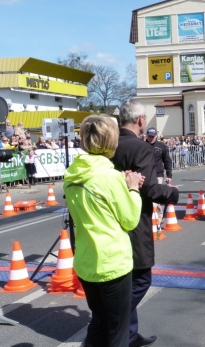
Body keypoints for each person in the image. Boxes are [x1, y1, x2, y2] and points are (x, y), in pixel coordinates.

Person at [64, 115, 143, 347]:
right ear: (111, 140)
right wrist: (133, 189)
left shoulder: (72, 174)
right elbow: (130, 220)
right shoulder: (109, 177)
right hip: (112, 262)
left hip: (86, 261)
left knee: (99, 322)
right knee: (117, 330)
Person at [110, 100, 179, 347]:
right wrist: (172, 193)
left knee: (126, 277)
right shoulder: (140, 148)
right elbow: (149, 188)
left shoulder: (110, 143)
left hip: (110, 217)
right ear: (141, 120)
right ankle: (116, 323)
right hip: (135, 217)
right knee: (141, 278)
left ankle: (129, 333)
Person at [145, 127, 173, 225]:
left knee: (155, 198)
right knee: (147, 198)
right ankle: (150, 217)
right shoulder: (143, 145)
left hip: (158, 175)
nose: (151, 138)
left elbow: (167, 161)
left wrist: (169, 175)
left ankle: (158, 218)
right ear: (146, 135)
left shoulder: (161, 146)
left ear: (156, 136)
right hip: (145, 175)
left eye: (153, 136)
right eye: (149, 136)